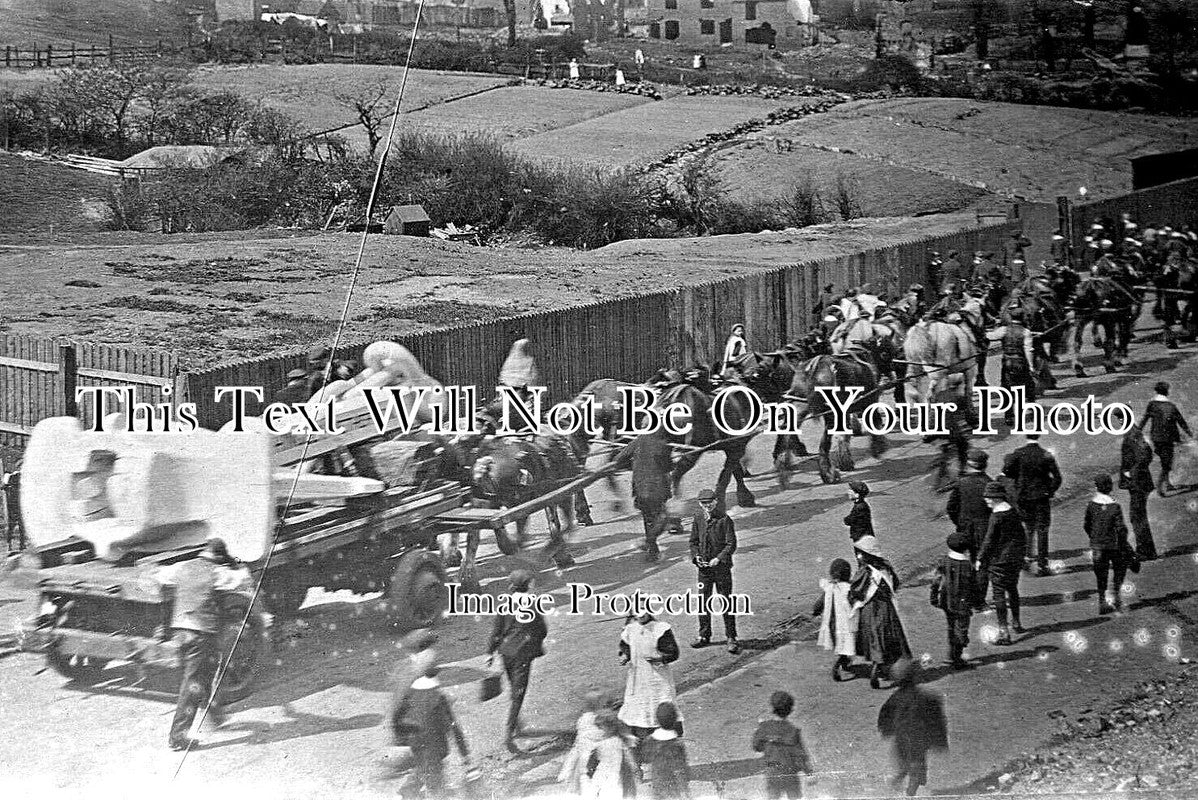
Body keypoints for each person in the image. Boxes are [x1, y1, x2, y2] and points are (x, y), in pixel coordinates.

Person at [155, 536, 247, 751]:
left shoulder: (182, 566)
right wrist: (237, 565)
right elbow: (242, 581)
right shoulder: (216, 572)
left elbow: (159, 576)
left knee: (203, 674)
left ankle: (216, 716)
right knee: (194, 682)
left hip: (180, 630)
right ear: (218, 557)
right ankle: (177, 737)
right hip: (202, 632)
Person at [391, 648, 473, 798]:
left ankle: (409, 790)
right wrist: (465, 755)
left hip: (417, 745)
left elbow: (396, 719)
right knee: (436, 788)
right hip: (435, 748)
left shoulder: (410, 694)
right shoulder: (438, 698)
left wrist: (403, 739)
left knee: (423, 770)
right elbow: (454, 728)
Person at [487, 569, 548, 752]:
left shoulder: (504, 604)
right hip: (522, 653)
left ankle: (517, 725)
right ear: (526, 585)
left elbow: (496, 629)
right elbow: (542, 629)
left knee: (515, 689)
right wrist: (534, 642)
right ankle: (509, 732)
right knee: (518, 693)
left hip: (505, 652)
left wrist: (489, 652)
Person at [877, 659, 948, 798]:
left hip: (902, 737)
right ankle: (910, 793)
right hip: (919, 739)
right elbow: (938, 720)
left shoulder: (895, 698)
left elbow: (884, 716)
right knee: (917, 767)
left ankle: (905, 780)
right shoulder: (928, 698)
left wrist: (886, 730)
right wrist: (940, 741)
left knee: (906, 763)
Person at [848, 536, 912, 689]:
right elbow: (895, 584)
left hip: (871, 609)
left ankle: (877, 664)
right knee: (889, 633)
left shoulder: (865, 572)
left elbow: (856, 590)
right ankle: (887, 662)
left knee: (874, 635)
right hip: (887, 607)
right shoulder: (885, 569)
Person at [618, 611, 682, 757]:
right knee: (639, 710)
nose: (640, 616)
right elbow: (625, 645)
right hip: (638, 678)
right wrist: (625, 656)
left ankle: (668, 745)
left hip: (657, 678)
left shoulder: (660, 629)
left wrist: (660, 658)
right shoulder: (630, 628)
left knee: (661, 707)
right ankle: (642, 752)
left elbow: (673, 653)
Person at [1003, 434, 1062, 576]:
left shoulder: (1018, 453)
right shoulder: (1045, 455)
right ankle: (1042, 565)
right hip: (1041, 497)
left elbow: (1007, 471)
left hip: (1024, 497)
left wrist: (1018, 482)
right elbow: (1058, 477)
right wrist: (1049, 491)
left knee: (1028, 529)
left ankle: (1027, 557)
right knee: (1042, 530)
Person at [689, 488, 740, 654]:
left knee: (725, 602)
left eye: (710, 502)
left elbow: (731, 544)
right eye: (704, 503)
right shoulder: (698, 518)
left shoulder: (724, 520)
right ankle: (704, 635)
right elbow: (693, 542)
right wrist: (696, 557)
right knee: (703, 602)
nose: (707, 506)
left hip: (721, 569)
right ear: (700, 504)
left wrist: (718, 558)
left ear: (716, 502)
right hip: (704, 570)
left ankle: (731, 637)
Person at [977, 481, 1026, 645]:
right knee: (1013, 589)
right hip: (1015, 558)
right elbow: (1021, 536)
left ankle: (1004, 632)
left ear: (995, 498)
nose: (986, 501)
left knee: (998, 594)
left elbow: (989, 540)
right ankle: (1017, 622)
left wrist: (980, 558)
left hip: (999, 560)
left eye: (988, 498)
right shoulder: (1012, 511)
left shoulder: (996, 516)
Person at [931, 532, 981, 669]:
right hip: (962, 603)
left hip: (946, 600)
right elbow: (974, 586)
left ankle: (950, 654)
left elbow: (936, 580)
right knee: (961, 628)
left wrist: (934, 596)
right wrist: (977, 602)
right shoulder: (967, 565)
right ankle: (957, 657)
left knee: (951, 625)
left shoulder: (944, 561)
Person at [1084, 474, 1132, 615]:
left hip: (1097, 546)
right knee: (1120, 567)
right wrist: (1124, 543)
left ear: (1096, 487)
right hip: (1113, 545)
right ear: (1110, 487)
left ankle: (1102, 601)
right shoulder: (1115, 506)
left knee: (1100, 573)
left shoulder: (1091, 505)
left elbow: (1086, 525)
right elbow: (1121, 528)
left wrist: (1093, 537)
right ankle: (1116, 595)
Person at [750, 691, 812, 800]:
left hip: (772, 770)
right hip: (789, 773)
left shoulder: (764, 727)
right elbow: (800, 755)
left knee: (773, 797)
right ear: (790, 711)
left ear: (773, 708)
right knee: (794, 797)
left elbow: (756, 746)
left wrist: (761, 731)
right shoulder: (793, 730)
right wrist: (809, 773)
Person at [1140, 381, 1192, 496]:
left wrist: (1137, 431)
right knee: (1167, 464)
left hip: (1155, 438)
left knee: (1165, 460)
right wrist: (1189, 433)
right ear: (1166, 391)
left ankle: (1167, 484)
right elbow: (1181, 421)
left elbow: (1145, 419)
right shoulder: (1171, 406)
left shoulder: (1152, 404)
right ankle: (1160, 486)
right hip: (1167, 439)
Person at [559, 691, 611, 795]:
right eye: (603, 704)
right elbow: (595, 734)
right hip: (591, 750)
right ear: (598, 705)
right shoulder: (597, 719)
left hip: (583, 749)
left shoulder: (583, 718)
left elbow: (581, 734)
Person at [946, 449, 993, 564]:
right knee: (982, 560)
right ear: (985, 466)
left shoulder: (961, 483)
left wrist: (960, 522)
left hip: (965, 527)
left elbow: (951, 507)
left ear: (969, 465)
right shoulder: (990, 483)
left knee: (970, 558)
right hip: (985, 528)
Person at [815, 558, 858, 682]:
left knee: (840, 644)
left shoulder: (829, 588)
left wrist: (816, 612)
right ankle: (840, 663)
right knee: (847, 643)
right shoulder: (849, 588)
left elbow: (818, 605)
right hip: (846, 625)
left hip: (833, 626)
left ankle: (843, 661)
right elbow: (855, 602)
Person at [582, 709, 638, 800]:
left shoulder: (603, 743)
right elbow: (629, 756)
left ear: (610, 728)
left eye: (600, 728)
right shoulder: (618, 741)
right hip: (612, 771)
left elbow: (592, 761)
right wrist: (634, 766)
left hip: (609, 772)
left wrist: (589, 771)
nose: (598, 731)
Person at [1120, 423, 1157, 561]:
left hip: (1139, 483)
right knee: (1137, 516)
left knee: (1137, 516)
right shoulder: (1132, 431)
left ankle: (1145, 551)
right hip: (1139, 482)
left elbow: (1146, 454)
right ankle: (1147, 550)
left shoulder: (1133, 433)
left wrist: (1132, 472)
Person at [996, 308, 1037, 424]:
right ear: (1023, 317)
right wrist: (1031, 367)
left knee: (1006, 387)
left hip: (1007, 362)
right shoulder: (1026, 332)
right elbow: (1028, 350)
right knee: (1028, 386)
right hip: (1020, 362)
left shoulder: (1003, 330)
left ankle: (1009, 416)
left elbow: (990, 336)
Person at [641, 702, 690, 800]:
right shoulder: (677, 743)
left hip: (657, 780)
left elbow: (646, 758)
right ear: (675, 720)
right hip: (674, 783)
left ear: (657, 720)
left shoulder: (651, 740)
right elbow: (681, 767)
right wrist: (685, 790)